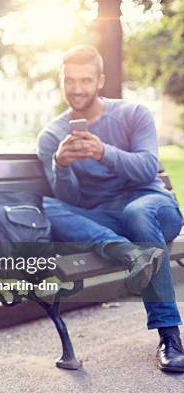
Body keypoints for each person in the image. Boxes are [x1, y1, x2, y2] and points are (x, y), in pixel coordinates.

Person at [37, 45, 184, 372]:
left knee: (137, 214)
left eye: (85, 80)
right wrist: (61, 165)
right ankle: (128, 253)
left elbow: (148, 168)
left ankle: (170, 337)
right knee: (45, 206)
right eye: (69, 80)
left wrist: (104, 153)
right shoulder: (51, 136)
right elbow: (71, 200)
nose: (77, 89)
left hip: (152, 206)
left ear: (100, 80)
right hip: (105, 218)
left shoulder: (133, 114)